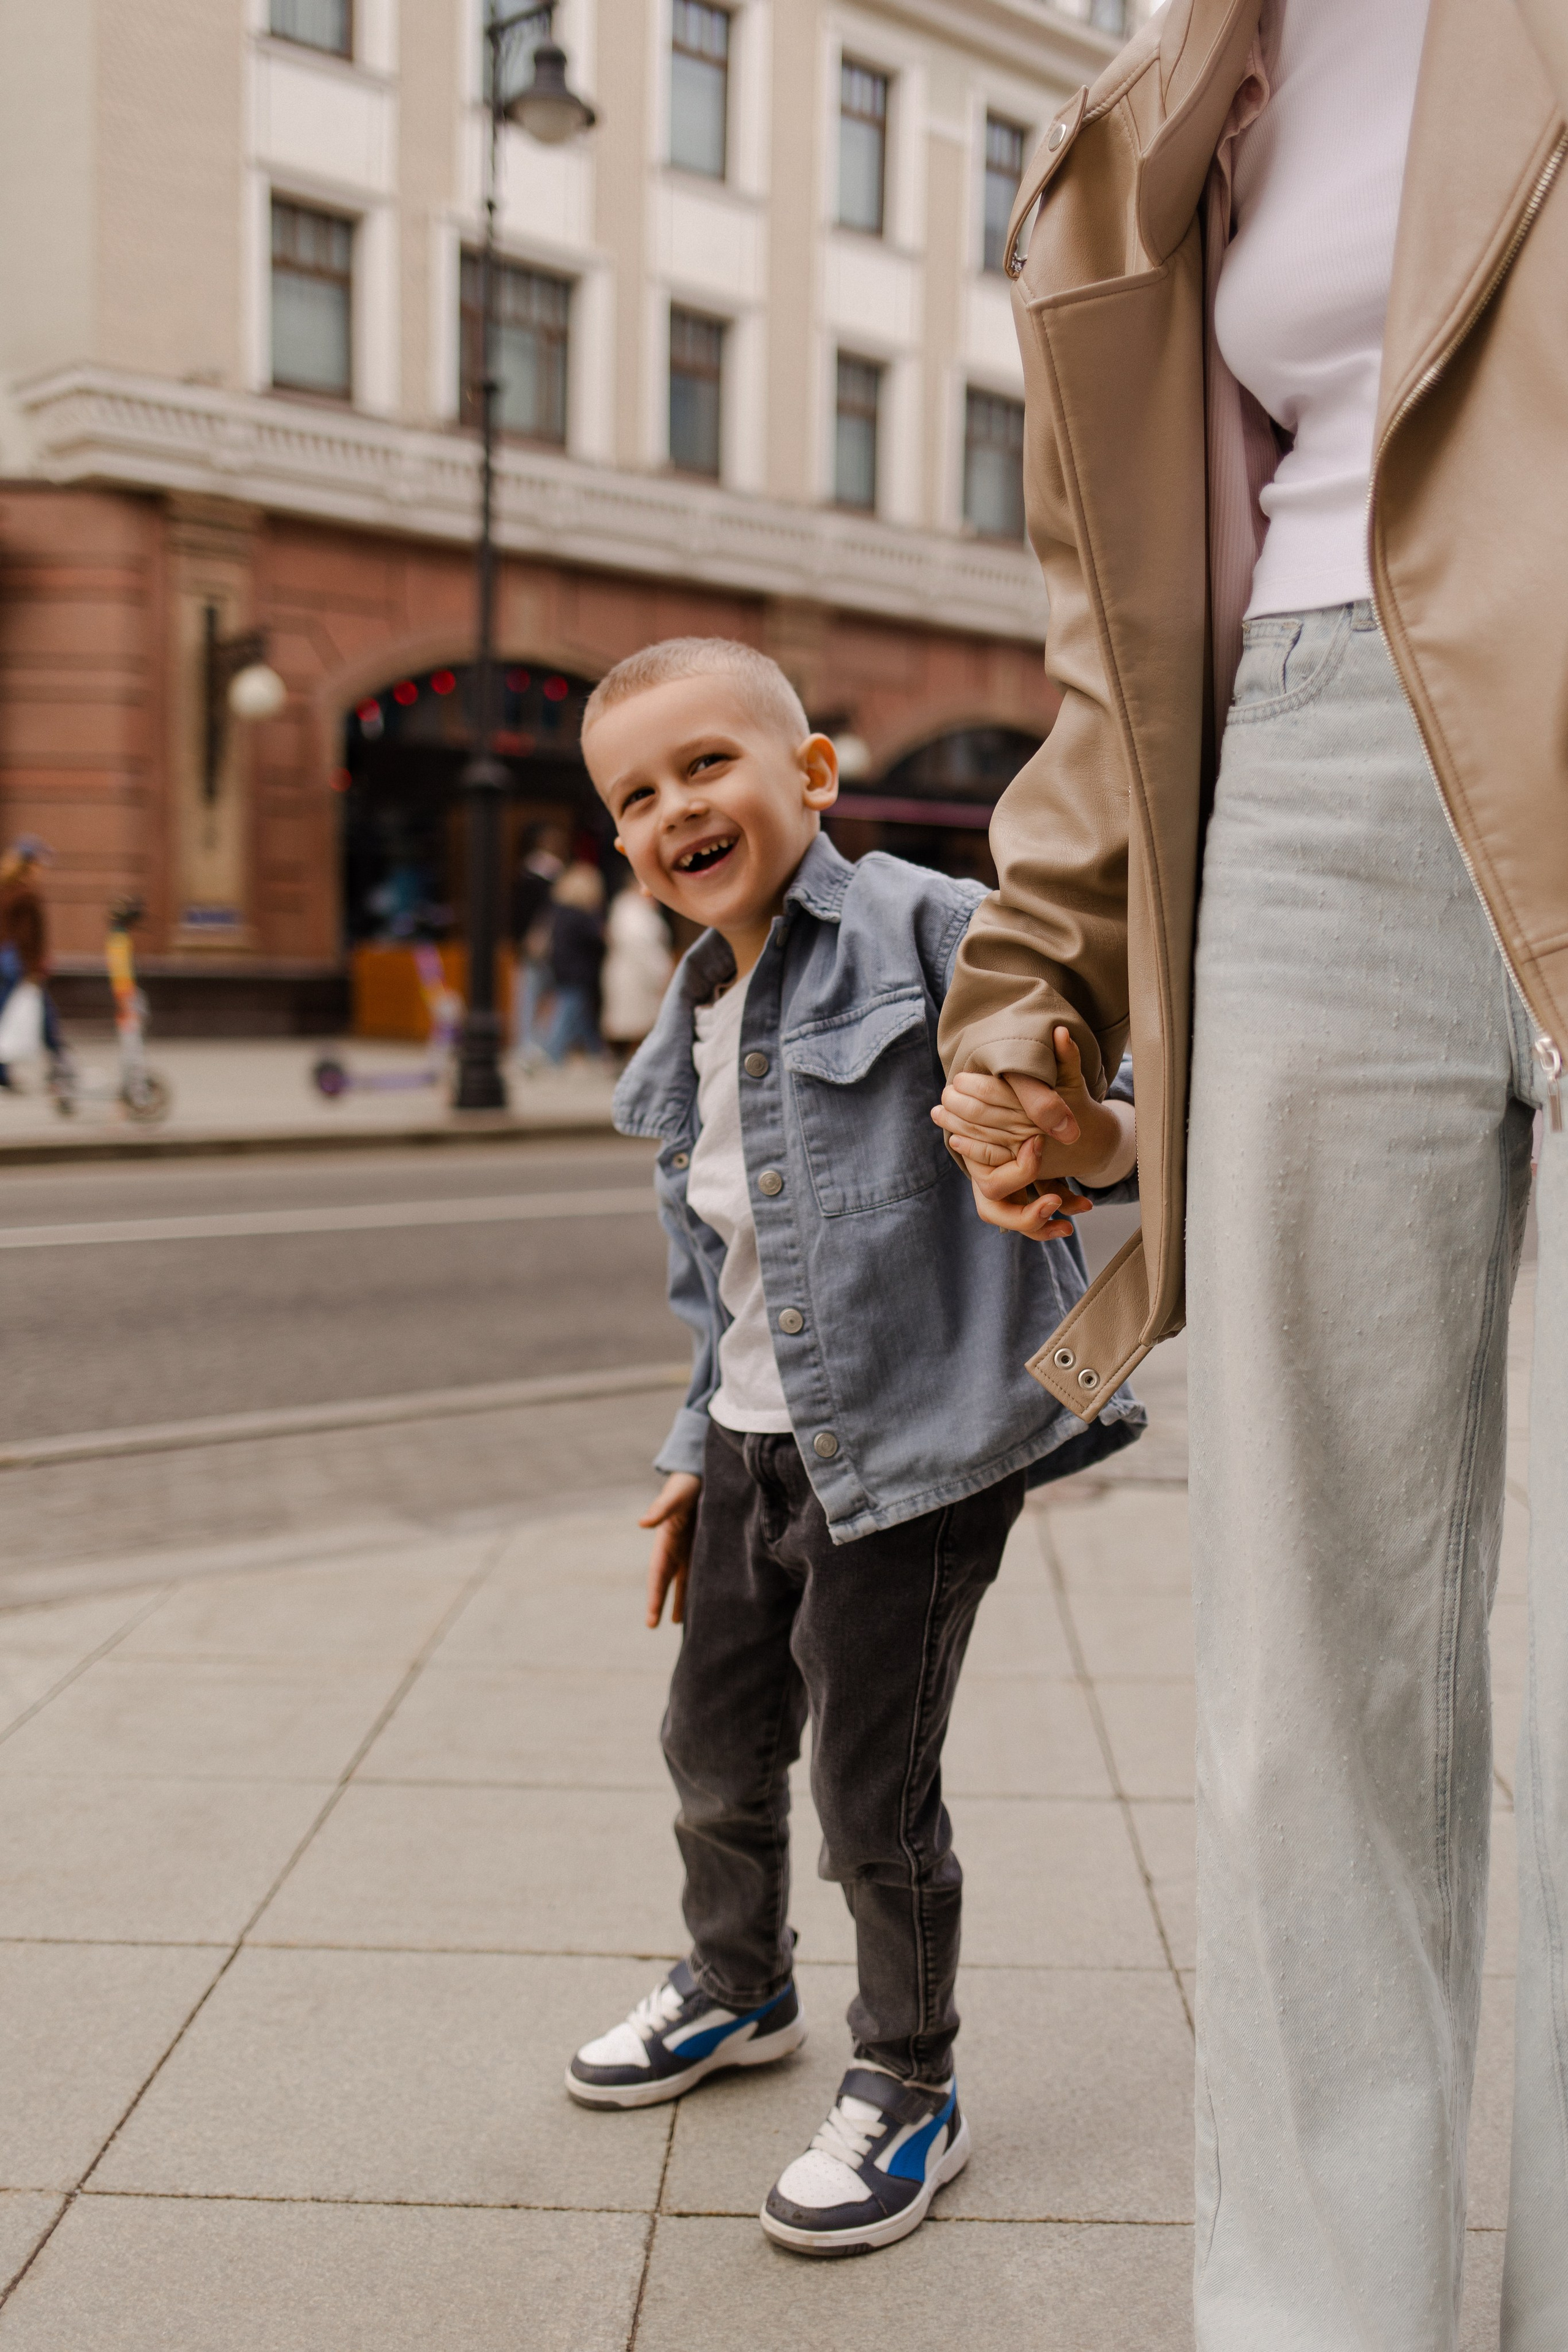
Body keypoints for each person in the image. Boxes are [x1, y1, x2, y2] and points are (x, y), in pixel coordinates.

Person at [932, 4, 1568, 2344]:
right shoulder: (1201, 50)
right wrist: (1040, 958)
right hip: (1304, 780)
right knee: (1310, 1680)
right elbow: (1139, 598)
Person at [563, 636, 1144, 2256]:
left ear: (808, 775)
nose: (676, 805)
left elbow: (1100, 1085)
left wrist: (1066, 1138)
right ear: (619, 842)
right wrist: (696, 1448)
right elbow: (723, 1285)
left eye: (706, 765)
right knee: (711, 1748)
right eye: (636, 793)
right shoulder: (678, 1040)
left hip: (909, 1454)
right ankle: (739, 1986)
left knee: (869, 1787)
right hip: (755, 1449)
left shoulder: (926, 927)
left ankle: (909, 2078)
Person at [0, 837, 65, 1090]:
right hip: (19, 964)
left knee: (8, 1014)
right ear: (29, 863)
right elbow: (27, 936)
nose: (43, 868)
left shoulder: (5, 889)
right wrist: (35, 968)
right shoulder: (26, 895)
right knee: (44, 1016)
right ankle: (62, 1065)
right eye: (40, 861)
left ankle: (6, 1071)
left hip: (6, 960)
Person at [509, 825, 567, 1068]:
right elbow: (524, 913)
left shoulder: (555, 872)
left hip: (554, 947)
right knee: (530, 995)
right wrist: (527, 939)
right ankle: (527, 1047)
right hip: (537, 946)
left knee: (550, 997)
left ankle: (540, 1047)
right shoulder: (533, 874)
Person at [599, 883, 673, 1064]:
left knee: (633, 1025)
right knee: (637, 1026)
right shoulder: (634, 913)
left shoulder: (628, 910)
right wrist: (661, 972)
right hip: (637, 978)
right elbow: (643, 948)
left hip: (631, 974)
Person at [540, 861, 605, 1065]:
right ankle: (551, 1055)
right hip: (578, 973)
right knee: (568, 1014)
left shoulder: (560, 913)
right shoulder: (580, 916)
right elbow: (600, 939)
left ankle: (597, 1052)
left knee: (581, 1014)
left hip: (562, 970)